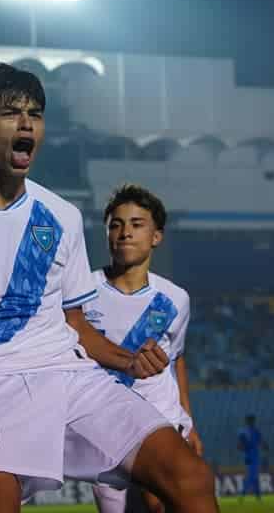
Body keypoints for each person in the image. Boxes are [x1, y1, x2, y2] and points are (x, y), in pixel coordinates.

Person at [0, 63, 217, 513]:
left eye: (35, 113)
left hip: (71, 375)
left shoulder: (61, 215)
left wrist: (130, 361)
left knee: (191, 478)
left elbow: (76, 325)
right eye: (10, 112)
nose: (26, 123)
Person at [83, 184, 202, 513]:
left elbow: (176, 359)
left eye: (137, 224)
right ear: (107, 234)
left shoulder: (174, 299)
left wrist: (188, 421)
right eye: (116, 225)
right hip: (104, 425)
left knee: (159, 502)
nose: (125, 233)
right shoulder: (80, 292)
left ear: (156, 236)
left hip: (160, 419)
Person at [236, 415, 267, 502]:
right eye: (251, 420)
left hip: (251, 457)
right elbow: (240, 445)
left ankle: (258, 496)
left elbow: (239, 446)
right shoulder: (252, 431)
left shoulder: (245, 431)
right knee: (251, 476)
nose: (252, 422)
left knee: (254, 476)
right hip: (252, 457)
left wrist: (243, 447)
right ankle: (243, 494)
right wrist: (265, 446)